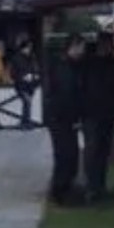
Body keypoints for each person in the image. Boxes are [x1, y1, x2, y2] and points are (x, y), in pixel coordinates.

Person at [77, 32, 114, 204]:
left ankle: (98, 186)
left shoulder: (113, 65)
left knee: (103, 151)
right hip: (91, 114)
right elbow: (81, 88)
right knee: (93, 150)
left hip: (106, 114)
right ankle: (92, 187)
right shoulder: (89, 64)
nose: (108, 47)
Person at [44, 35, 88, 204]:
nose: (83, 51)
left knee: (69, 154)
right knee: (65, 154)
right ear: (74, 46)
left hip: (63, 117)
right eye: (82, 47)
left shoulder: (67, 65)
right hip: (61, 118)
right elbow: (66, 94)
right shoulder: (65, 68)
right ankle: (61, 190)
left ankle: (65, 187)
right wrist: (73, 118)